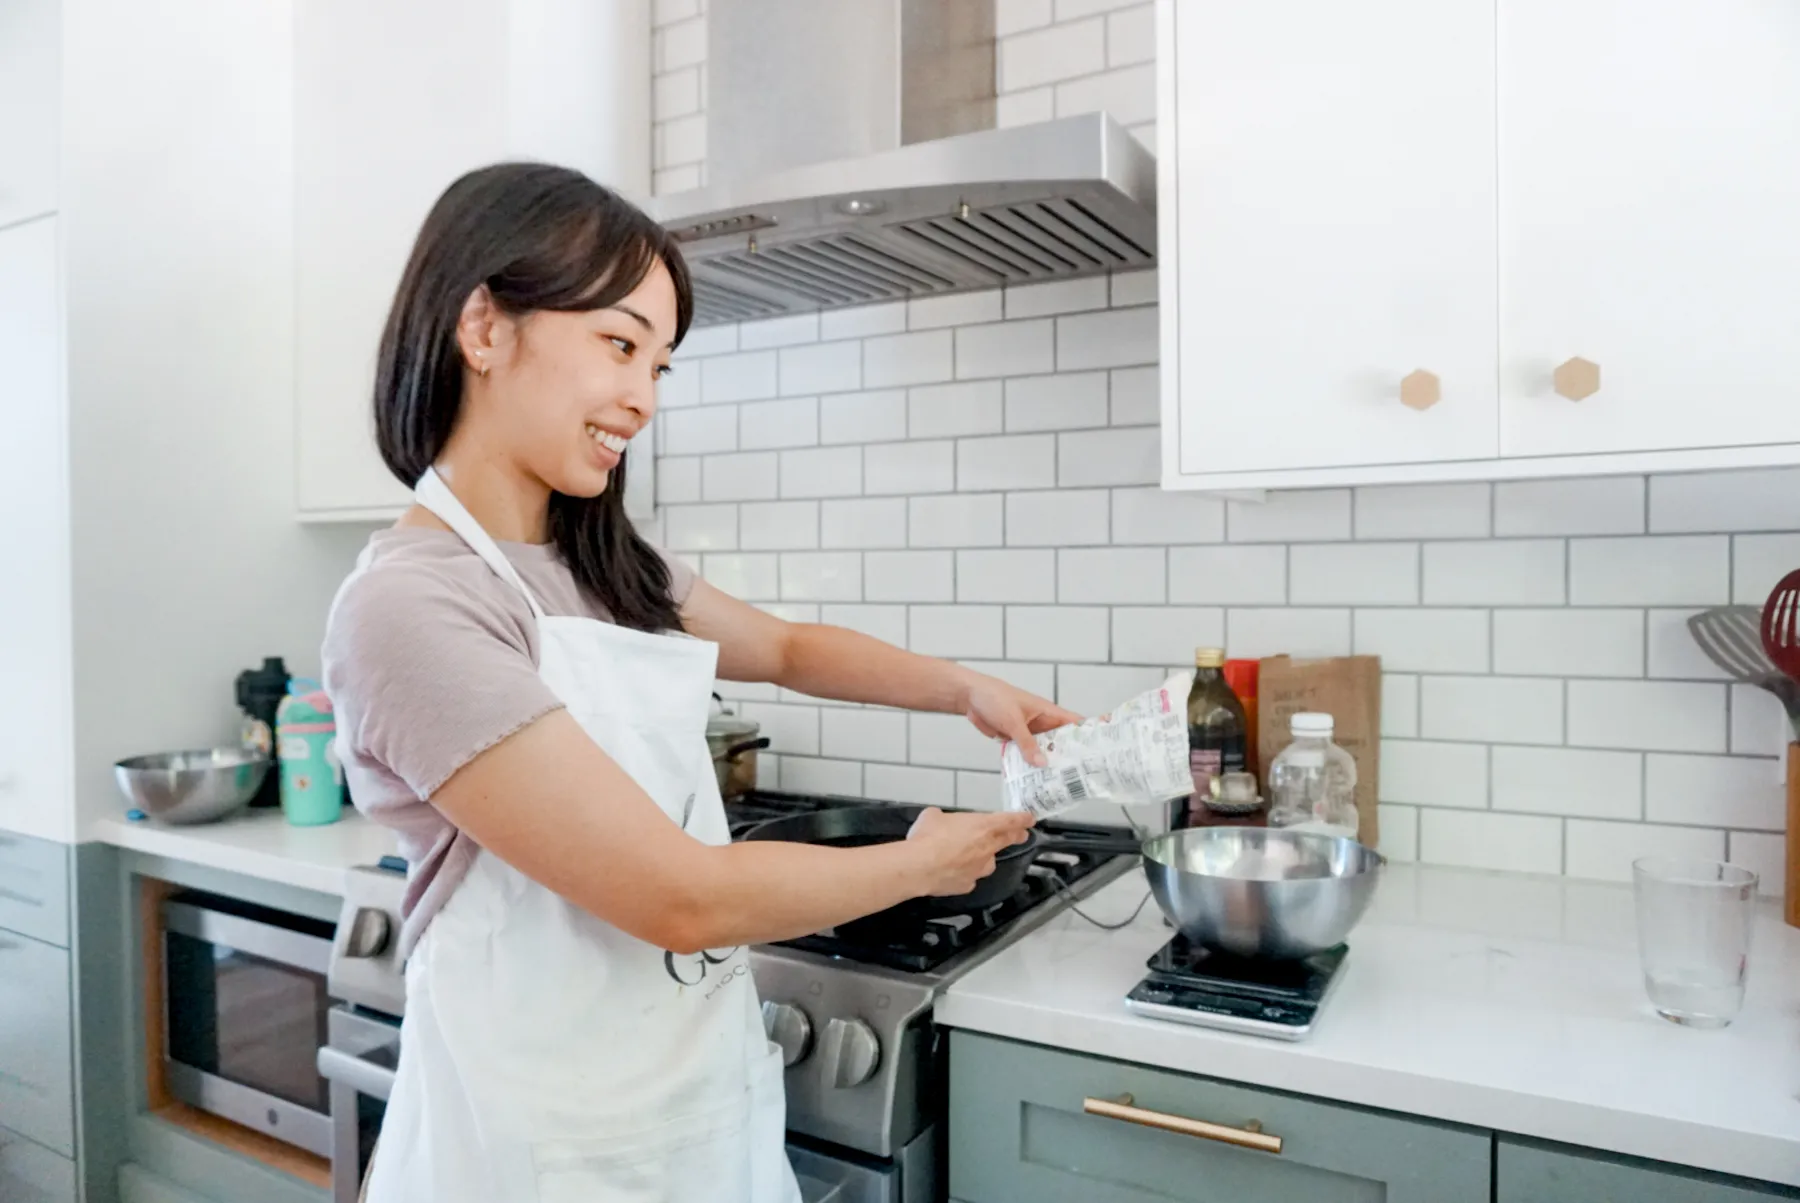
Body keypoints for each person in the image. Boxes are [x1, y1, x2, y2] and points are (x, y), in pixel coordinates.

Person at [320, 162, 1075, 1203]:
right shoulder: (410, 606)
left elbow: (789, 648)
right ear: (484, 327)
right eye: (620, 343)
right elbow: (679, 896)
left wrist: (963, 690)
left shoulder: (599, 562)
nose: (643, 397)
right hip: (542, 1144)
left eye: (660, 364)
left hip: (695, 1105)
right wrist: (917, 865)